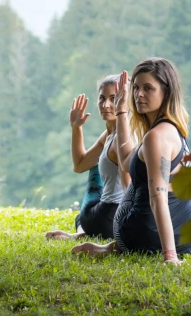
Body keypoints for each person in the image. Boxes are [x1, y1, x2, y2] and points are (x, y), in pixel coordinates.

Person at [72, 58, 191, 265]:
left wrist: (170, 256)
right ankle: (111, 247)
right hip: (185, 239)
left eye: (148, 88)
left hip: (148, 238)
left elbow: (159, 198)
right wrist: (121, 112)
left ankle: (115, 248)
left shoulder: (157, 136)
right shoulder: (171, 129)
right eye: (136, 88)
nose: (139, 94)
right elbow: (127, 161)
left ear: (166, 92)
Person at [45, 75, 131, 241]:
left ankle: (82, 232)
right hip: (103, 217)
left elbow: (129, 188)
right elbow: (79, 165)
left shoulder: (124, 138)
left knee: (97, 167)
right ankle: (83, 231)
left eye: (113, 99)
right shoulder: (109, 134)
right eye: (102, 98)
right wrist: (76, 128)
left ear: (125, 101)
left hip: (110, 217)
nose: (106, 105)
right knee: (82, 215)